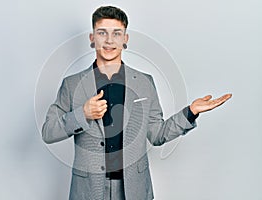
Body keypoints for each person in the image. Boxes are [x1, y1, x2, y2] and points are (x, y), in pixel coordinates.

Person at [42, 6, 232, 200]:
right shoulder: (72, 84)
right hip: (88, 190)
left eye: (116, 33)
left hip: (133, 189)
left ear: (125, 39)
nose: (109, 40)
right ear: (92, 39)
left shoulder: (144, 82)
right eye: (102, 33)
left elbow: (157, 134)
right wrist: (83, 114)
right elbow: (48, 132)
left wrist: (190, 112)